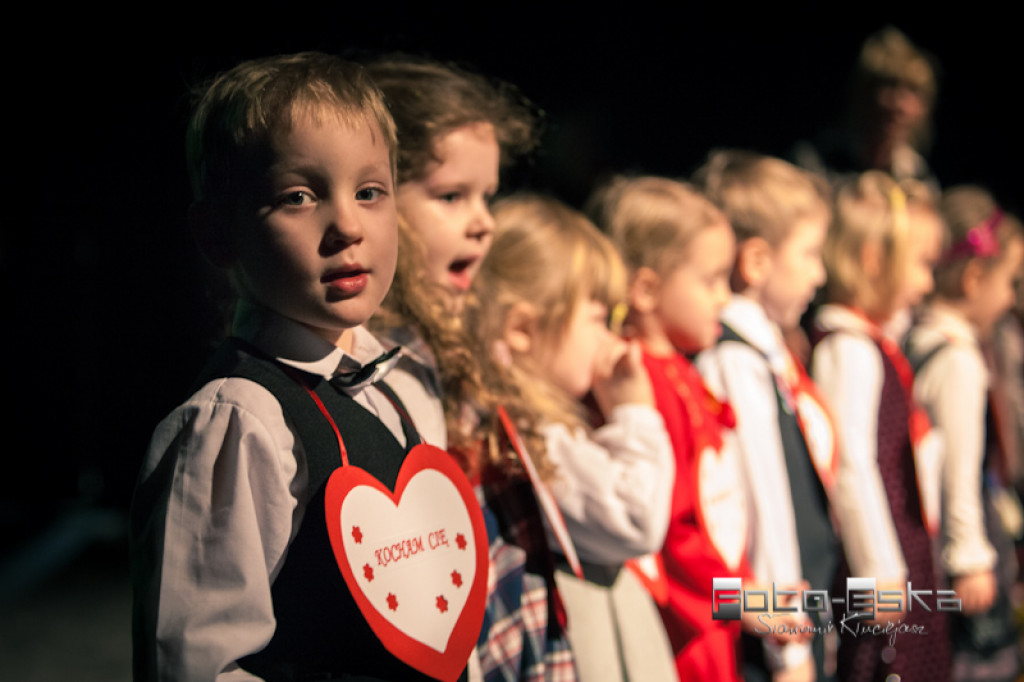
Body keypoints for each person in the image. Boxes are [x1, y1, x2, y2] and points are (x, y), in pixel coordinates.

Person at [130, 52, 488, 682]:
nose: (347, 225)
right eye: (298, 196)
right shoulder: (241, 421)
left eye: (370, 192)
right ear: (218, 233)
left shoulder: (386, 386)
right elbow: (197, 665)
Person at [365, 57, 578, 681]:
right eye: (451, 196)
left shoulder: (468, 349)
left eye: (488, 195)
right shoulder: (375, 373)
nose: (484, 222)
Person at [587, 174, 815, 681]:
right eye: (710, 280)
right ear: (646, 290)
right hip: (683, 632)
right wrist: (743, 599)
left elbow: (719, 509)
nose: (724, 297)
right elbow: (671, 534)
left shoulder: (684, 370)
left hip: (716, 615)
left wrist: (752, 586)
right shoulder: (638, 383)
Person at [469, 193, 678, 681]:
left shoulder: (547, 419)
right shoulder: (528, 431)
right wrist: (633, 409)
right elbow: (636, 517)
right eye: (598, 319)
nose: (611, 339)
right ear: (523, 329)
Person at [692, 150, 841, 682]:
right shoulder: (735, 361)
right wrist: (791, 651)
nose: (820, 274)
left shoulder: (764, 355)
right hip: (773, 640)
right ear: (756, 261)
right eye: (809, 254)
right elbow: (764, 504)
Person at [810, 170, 950, 682]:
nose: (927, 283)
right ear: (874, 259)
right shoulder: (847, 350)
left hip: (903, 548)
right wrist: (879, 571)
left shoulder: (873, 345)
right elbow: (852, 465)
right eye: (920, 264)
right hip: (882, 562)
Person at [905, 185, 1024, 681]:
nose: (1013, 298)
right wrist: (971, 555)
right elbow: (959, 468)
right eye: (1012, 282)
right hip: (956, 549)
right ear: (975, 278)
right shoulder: (957, 359)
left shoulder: (917, 338)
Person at [793, 26, 941, 196]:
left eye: (913, 92)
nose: (900, 106)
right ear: (863, 93)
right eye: (890, 87)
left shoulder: (919, 177)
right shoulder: (814, 163)